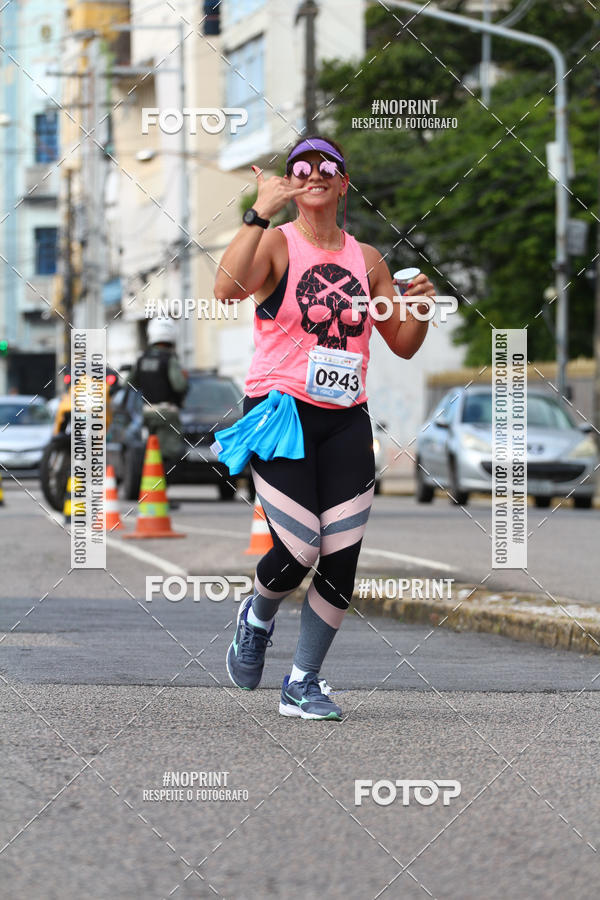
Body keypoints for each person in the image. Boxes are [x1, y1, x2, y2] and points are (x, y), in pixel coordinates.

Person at [214, 135, 435, 721]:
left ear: (343, 182)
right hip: (280, 412)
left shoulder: (368, 260)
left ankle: (302, 682)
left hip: (345, 419)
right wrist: (258, 212)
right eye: (301, 167)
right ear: (290, 182)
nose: (314, 174)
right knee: (300, 547)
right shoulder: (274, 243)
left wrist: (420, 307)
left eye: (327, 167)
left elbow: (403, 344)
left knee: (341, 557)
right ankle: (256, 617)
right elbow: (225, 289)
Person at [127, 316, 188, 465]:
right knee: (169, 455)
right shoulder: (170, 359)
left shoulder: (142, 359)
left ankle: (149, 476)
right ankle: (163, 477)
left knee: (150, 452)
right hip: (167, 413)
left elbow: (129, 383)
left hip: (147, 413)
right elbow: (179, 385)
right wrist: (184, 378)